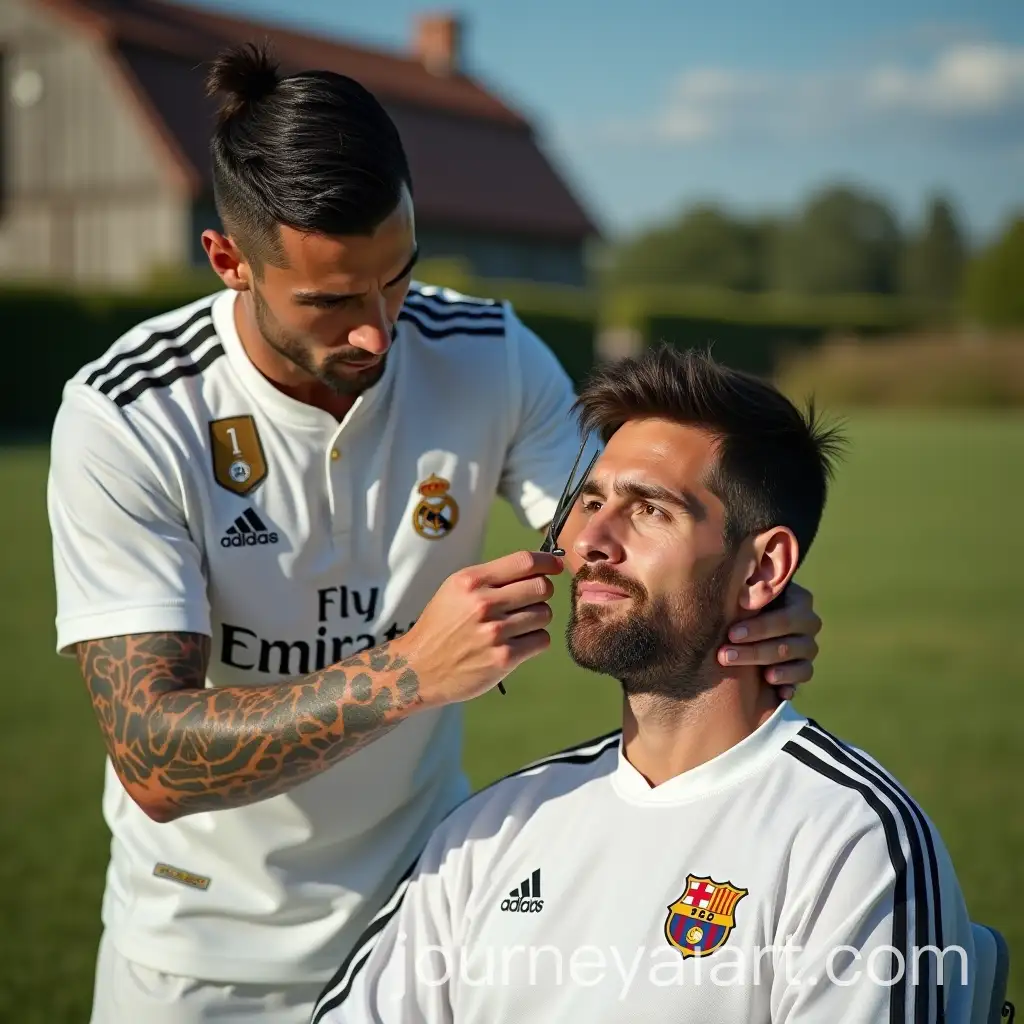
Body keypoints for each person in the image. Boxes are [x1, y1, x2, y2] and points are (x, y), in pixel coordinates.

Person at [46, 43, 823, 1024]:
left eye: (396, 279)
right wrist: (408, 669)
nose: (378, 330)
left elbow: (617, 542)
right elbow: (153, 759)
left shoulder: (488, 353)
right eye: (331, 301)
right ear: (228, 260)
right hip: (199, 960)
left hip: (429, 929)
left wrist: (751, 604)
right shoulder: (130, 415)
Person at [310, 345, 976, 1024]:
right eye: (591, 500)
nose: (591, 539)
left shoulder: (852, 843)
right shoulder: (494, 829)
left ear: (763, 568)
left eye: (651, 510)